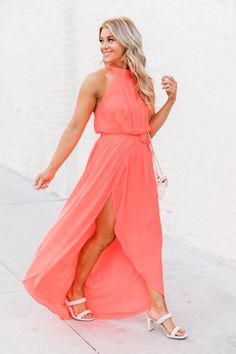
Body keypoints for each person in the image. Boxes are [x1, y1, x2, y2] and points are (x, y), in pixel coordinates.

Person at [22, 16, 187, 340]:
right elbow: (75, 127)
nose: (104, 46)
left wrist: (171, 101)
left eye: (110, 39)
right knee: (105, 234)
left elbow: (147, 130)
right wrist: (52, 167)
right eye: (101, 40)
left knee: (148, 234)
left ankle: (157, 307)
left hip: (137, 163)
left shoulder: (144, 82)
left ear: (127, 41)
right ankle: (76, 290)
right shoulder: (96, 81)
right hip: (109, 164)